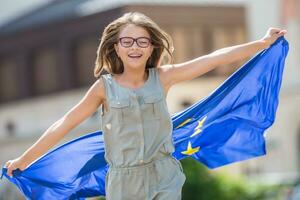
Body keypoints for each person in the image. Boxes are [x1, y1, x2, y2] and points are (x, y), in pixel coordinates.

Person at [4, 12, 287, 199]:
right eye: (127, 41)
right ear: (116, 47)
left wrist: (262, 43)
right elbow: (64, 123)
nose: (135, 47)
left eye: (142, 41)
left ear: (152, 47)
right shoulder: (104, 87)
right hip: (124, 181)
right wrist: (24, 160)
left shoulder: (163, 77)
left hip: (163, 173)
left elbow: (211, 59)